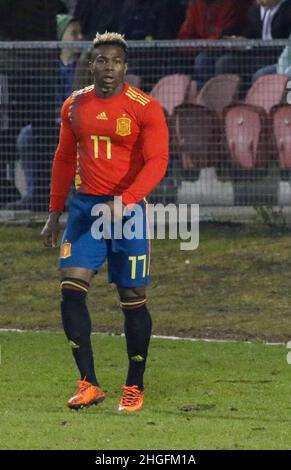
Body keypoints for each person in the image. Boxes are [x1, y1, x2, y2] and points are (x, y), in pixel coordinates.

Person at [41, 32, 169, 412]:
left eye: (115, 61)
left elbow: (158, 162)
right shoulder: (74, 105)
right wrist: (53, 213)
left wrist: (126, 200)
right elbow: (64, 158)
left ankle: (135, 384)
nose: (108, 67)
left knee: (131, 296)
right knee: (71, 286)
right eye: (101, 60)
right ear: (91, 64)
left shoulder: (144, 107)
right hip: (85, 210)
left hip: (128, 212)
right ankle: (88, 383)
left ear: (125, 67)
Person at [177, 0, 251, 89]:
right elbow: (184, 37)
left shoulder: (229, 4)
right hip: (208, 50)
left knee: (223, 62)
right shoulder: (195, 5)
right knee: (201, 60)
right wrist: (202, 45)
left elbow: (224, 34)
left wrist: (203, 44)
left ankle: (224, 100)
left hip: (235, 50)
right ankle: (202, 99)